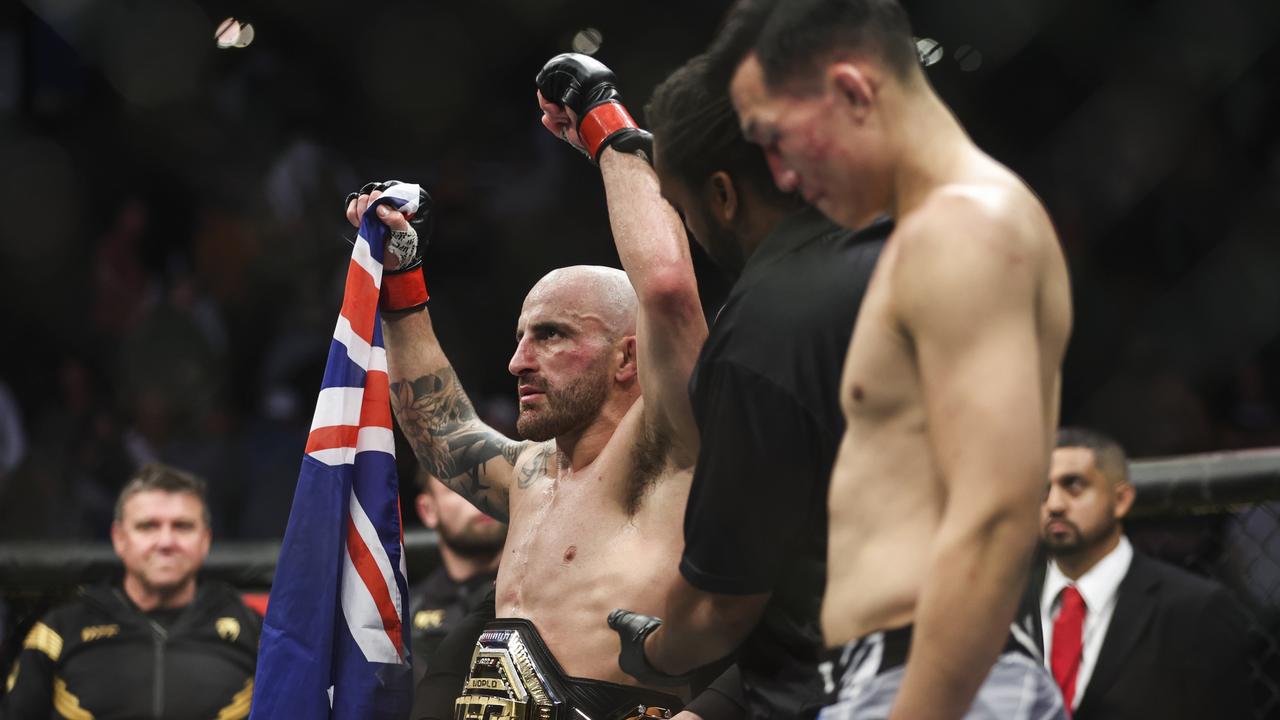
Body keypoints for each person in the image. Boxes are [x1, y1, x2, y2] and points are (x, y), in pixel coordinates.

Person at [721, 1, 1074, 717]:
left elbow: (996, 512)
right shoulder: (937, 229)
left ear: (853, 91)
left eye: (777, 138)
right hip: (896, 676)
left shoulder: (964, 227)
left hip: (937, 678)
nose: (781, 176)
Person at [344, 51, 706, 718]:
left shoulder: (668, 455)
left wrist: (608, 128)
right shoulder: (531, 476)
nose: (518, 362)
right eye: (520, 337)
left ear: (629, 358)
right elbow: (441, 430)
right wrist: (401, 285)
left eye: (553, 336)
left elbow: (668, 291)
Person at [607, 37, 891, 719]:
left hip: (855, 685)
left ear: (723, 195)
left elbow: (721, 605)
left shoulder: (763, 328)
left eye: (682, 207)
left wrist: (655, 651)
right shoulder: (917, 253)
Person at [1024, 428, 1254, 719]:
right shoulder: (1001, 612)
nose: (1054, 505)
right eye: (1043, 490)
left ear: (1120, 500)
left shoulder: (1193, 610)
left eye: (1074, 486)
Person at [1, 463, 260, 719]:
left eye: (182, 526)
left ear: (206, 540)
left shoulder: (255, 633)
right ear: (119, 538)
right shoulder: (59, 631)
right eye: (148, 526)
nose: (166, 542)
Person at [407, 468, 504, 687]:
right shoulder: (405, 612)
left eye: (490, 482)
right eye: (460, 487)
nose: (481, 496)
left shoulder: (540, 596)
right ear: (428, 510)